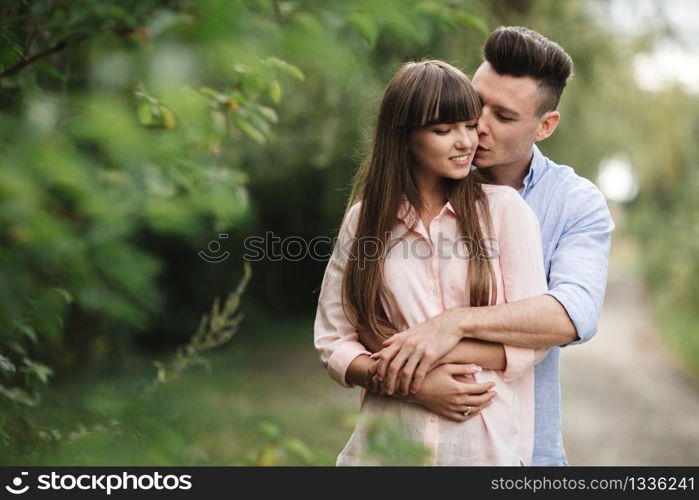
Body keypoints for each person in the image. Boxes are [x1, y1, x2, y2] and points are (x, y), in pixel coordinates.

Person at [367, 27, 615, 466]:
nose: (476, 126)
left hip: (525, 454)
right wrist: (414, 381)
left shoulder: (574, 202)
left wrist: (453, 325)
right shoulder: (417, 189)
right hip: (404, 447)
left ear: (545, 126)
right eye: (476, 101)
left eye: (503, 116)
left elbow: (572, 313)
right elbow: (361, 316)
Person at [314, 59, 550, 465]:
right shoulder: (365, 220)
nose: (465, 142)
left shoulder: (505, 212)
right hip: (387, 451)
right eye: (443, 131)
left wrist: (438, 349)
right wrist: (412, 385)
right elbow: (334, 340)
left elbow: (533, 341)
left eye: (468, 125)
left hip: (485, 451)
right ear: (404, 138)